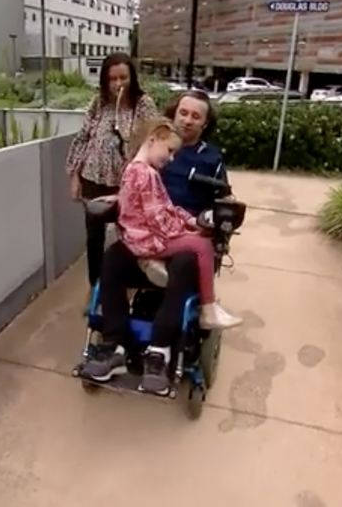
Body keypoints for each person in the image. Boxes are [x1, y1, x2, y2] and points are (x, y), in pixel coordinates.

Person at [80, 92, 236, 394]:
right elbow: (139, 187)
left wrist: (207, 218)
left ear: (205, 124)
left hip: (183, 232)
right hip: (154, 232)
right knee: (113, 257)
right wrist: (118, 198)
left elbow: (222, 200)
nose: (188, 119)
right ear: (174, 114)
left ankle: (159, 351)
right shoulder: (155, 149)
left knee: (185, 261)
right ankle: (116, 346)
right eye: (184, 112)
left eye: (196, 116)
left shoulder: (211, 158)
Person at [117, 118, 242, 332]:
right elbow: (157, 219)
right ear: (153, 139)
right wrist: (185, 232)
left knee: (195, 239)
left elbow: (167, 207)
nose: (172, 158)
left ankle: (153, 261)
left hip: (140, 237)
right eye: (170, 150)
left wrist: (191, 221)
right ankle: (208, 310)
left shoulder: (140, 170)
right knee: (202, 246)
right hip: (144, 239)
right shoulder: (144, 174)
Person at [65, 53, 157, 297]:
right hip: (93, 178)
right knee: (94, 238)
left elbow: (152, 143)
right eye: (112, 79)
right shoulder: (99, 103)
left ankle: (124, 285)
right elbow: (83, 137)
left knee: (129, 234)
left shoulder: (142, 104)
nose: (118, 84)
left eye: (123, 78)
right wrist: (74, 175)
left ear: (132, 78)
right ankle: (95, 288)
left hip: (126, 184)